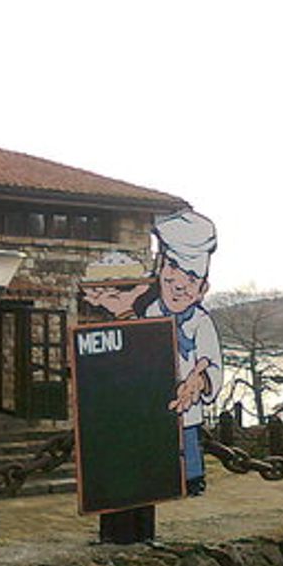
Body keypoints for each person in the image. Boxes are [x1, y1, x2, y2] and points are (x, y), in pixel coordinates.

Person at [81, 209, 222, 496]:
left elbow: (211, 364)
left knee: (188, 444)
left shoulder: (201, 323)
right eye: (171, 279)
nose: (178, 288)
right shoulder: (148, 311)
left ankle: (193, 479)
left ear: (202, 288)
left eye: (189, 283)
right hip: (150, 407)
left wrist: (199, 380)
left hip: (187, 410)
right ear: (161, 273)